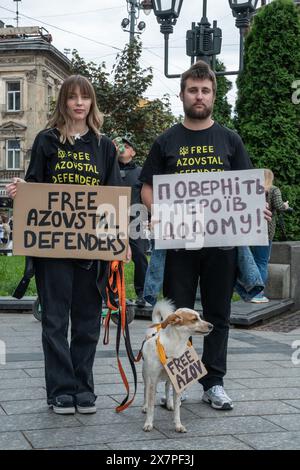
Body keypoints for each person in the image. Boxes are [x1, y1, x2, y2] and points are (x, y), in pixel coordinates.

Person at [140, 60, 270, 411]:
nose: (199, 96)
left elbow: (246, 190)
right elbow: (147, 188)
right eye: (193, 90)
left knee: (218, 313)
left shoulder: (230, 139)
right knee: (179, 317)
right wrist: (155, 212)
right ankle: (177, 384)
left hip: (222, 244)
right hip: (179, 244)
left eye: (205, 91)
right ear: (182, 94)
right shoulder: (166, 140)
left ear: (214, 95)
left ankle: (214, 383)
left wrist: (256, 210)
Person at [6, 75, 130, 415]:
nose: (79, 103)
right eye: (72, 97)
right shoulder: (47, 141)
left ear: (92, 103)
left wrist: (120, 241)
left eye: (85, 97)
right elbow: (34, 188)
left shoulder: (103, 146)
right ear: (63, 102)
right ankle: (61, 390)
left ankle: (83, 388)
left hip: (92, 252)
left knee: (89, 320)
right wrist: (20, 189)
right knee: (56, 321)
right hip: (53, 251)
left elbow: (112, 196)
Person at [114, 135, 148, 308]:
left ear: (133, 152)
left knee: (140, 256)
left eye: (127, 146)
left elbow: (147, 196)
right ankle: (111, 293)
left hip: (136, 220)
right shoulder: (109, 169)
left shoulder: (141, 173)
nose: (123, 148)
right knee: (111, 256)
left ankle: (142, 292)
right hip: (112, 218)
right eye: (121, 146)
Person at [250, 169, 289, 303]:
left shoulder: (252, 189)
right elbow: (278, 206)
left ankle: (251, 293)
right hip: (266, 231)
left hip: (250, 230)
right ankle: (258, 295)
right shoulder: (273, 189)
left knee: (254, 262)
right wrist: (285, 205)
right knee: (262, 262)